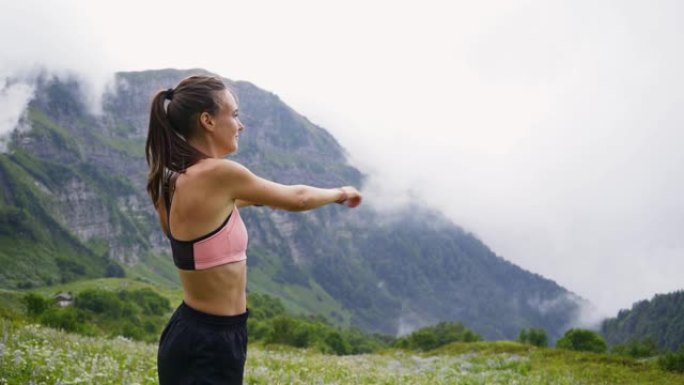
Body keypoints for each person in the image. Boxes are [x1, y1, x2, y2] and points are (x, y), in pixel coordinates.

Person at [145, 75, 362, 385]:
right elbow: (297, 199)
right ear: (207, 120)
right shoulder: (219, 173)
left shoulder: (172, 182)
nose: (240, 124)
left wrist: (259, 199)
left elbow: (225, 211)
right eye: (233, 114)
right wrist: (341, 193)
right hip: (210, 341)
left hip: (197, 333)